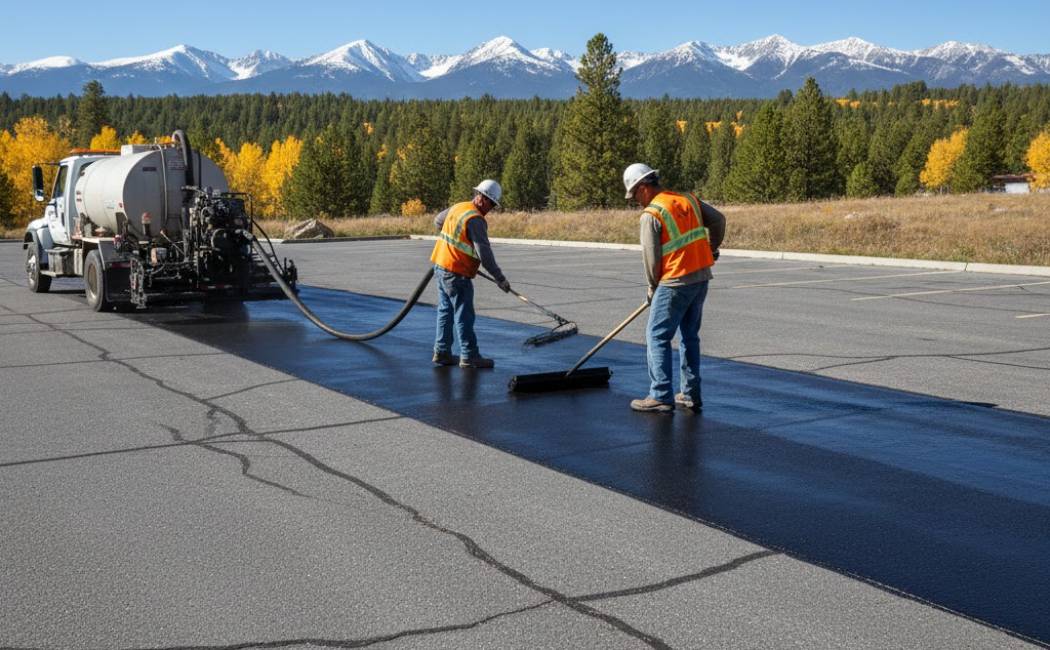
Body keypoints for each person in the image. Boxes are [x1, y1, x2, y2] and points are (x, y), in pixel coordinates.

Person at [622, 163, 726, 413]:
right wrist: (711, 249)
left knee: (657, 335)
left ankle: (660, 394)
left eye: (634, 195)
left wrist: (651, 287)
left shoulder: (652, 214)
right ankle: (690, 393)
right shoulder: (688, 200)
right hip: (700, 278)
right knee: (690, 336)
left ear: (643, 188)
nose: (636, 201)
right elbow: (719, 220)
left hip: (675, 282)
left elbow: (651, 257)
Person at [430, 179, 511, 369]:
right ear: (482, 198)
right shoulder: (475, 219)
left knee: (445, 311)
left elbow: (438, 221)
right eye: (491, 204)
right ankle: (469, 355)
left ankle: (442, 352)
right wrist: (500, 279)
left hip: (441, 266)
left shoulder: (459, 207)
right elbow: (485, 254)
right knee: (463, 314)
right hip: (457, 273)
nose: (490, 209)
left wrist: (454, 245)